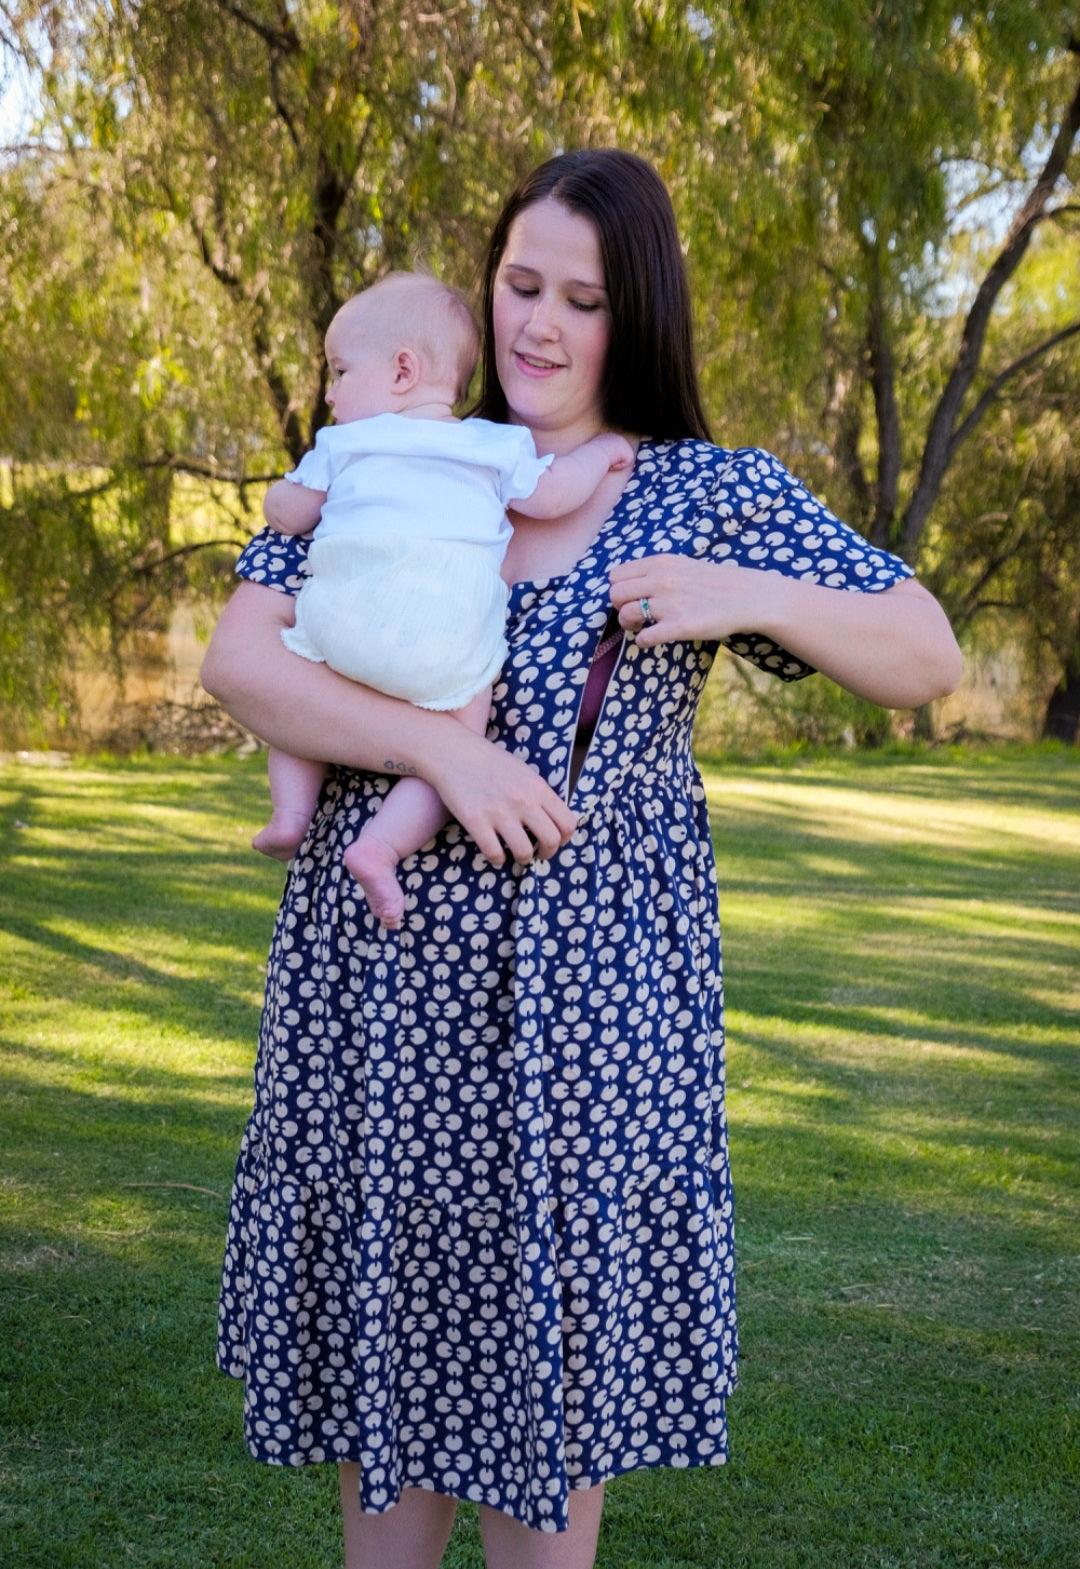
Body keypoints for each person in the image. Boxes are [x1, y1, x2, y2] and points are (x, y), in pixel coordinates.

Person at [202, 149, 962, 1569]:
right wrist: (448, 756)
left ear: (640, 316)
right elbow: (241, 658)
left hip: (585, 1028)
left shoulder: (699, 492)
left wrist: (745, 594)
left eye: (584, 297)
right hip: (383, 1005)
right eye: (520, 284)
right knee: (397, 1376)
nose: (542, 324)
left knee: (549, 1420)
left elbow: (926, 651)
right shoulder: (410, 447)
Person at [251, 271, 633, 928]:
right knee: (463, 736)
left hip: (340, 625)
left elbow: (290, 512)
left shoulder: (343, 443)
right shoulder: (490, 445)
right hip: (447, 646)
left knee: (298, 694)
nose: (330, 392)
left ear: (402, 370)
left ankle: (290, 813)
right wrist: (603, 454)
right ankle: (382, 845)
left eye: (339, 372)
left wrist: (279, 500)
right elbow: (551, 496)